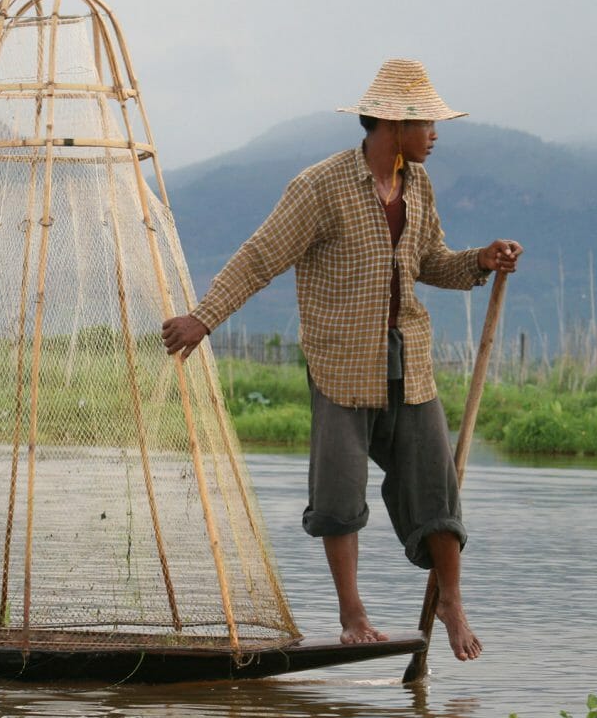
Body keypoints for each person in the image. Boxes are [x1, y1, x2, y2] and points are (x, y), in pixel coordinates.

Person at [161, 58, 522, 662]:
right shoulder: (320, 187)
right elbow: (260, 257)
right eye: (425, 122)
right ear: (389, 123)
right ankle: (352, 613)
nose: (435, 134)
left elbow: (430, 263)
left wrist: (482, 261)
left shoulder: (419, 187)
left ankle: (451, 600)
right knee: (339, 494)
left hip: (411, 364)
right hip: (341, 363)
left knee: (436, 484)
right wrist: (204, 318)